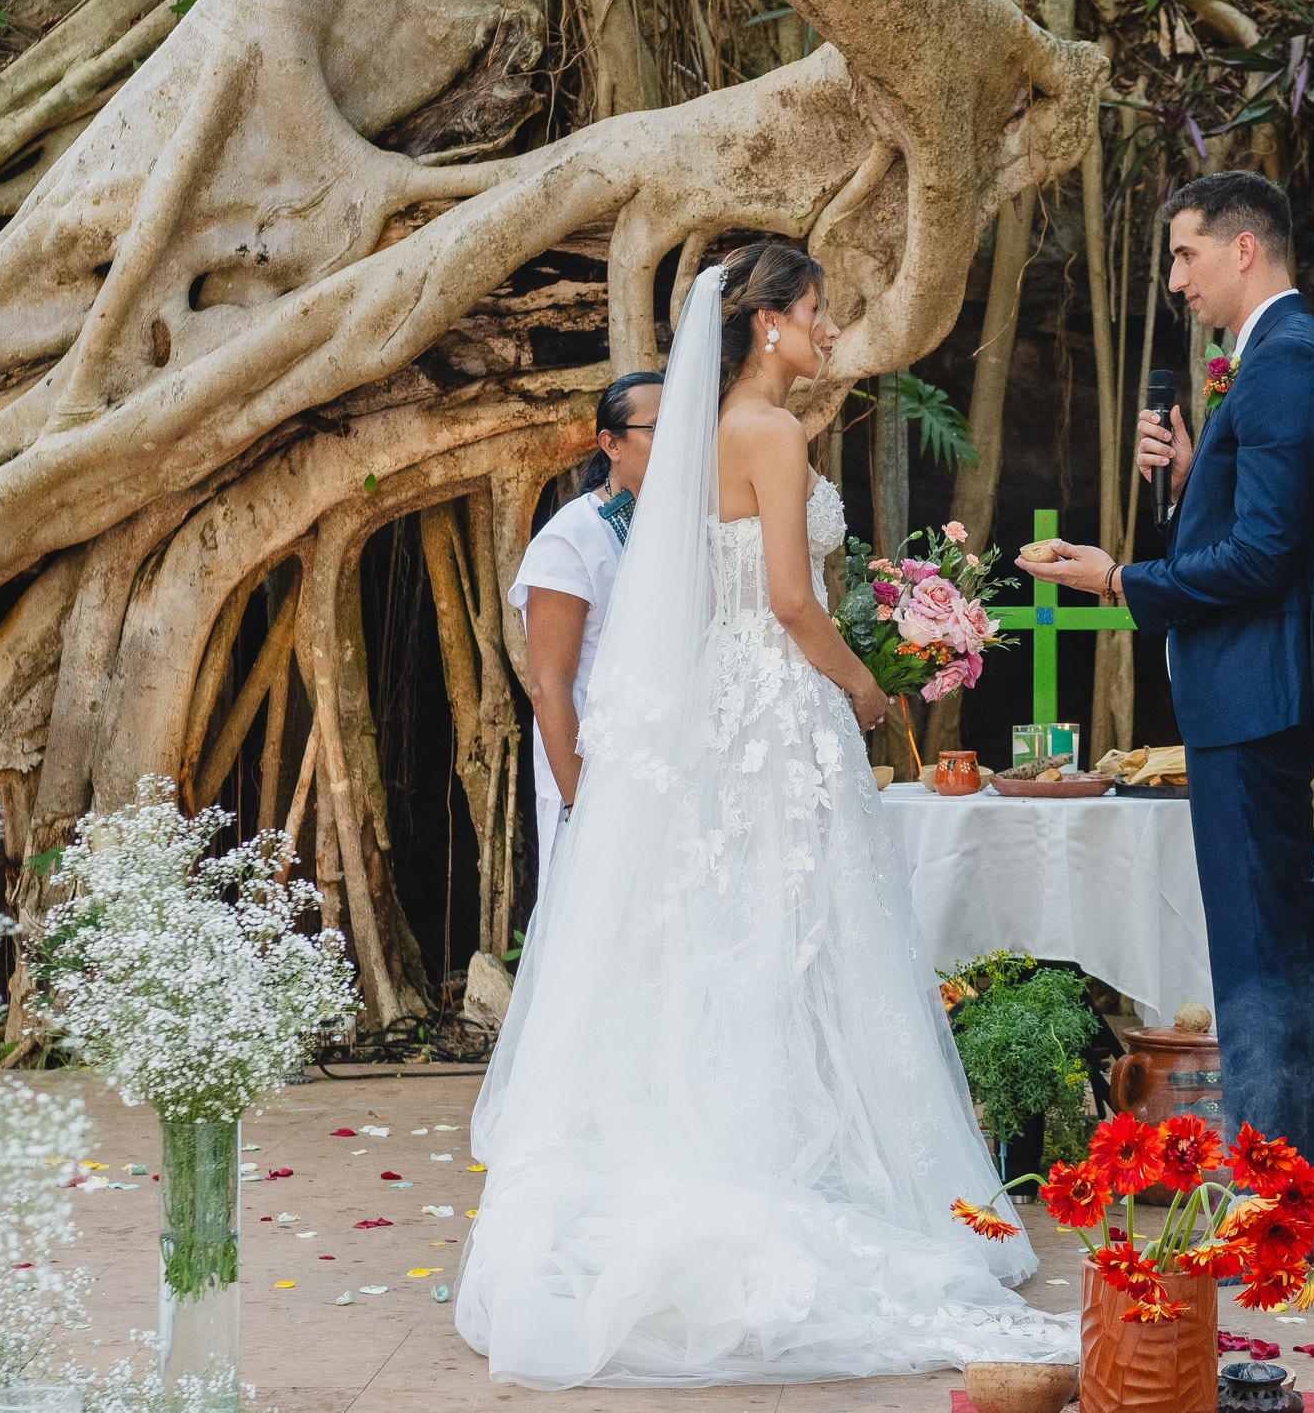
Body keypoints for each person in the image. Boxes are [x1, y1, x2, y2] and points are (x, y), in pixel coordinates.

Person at [459, 243, 1071, 1388]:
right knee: (815, 935)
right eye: (817, 310)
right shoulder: (775, 433)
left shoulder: (694, 437)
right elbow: (791, 598)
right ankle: (813, 1176)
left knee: (735, 933)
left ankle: (755, 1145)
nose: (830, 328)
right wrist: (862, 684)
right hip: (782, 710)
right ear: (770, 324)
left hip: (717, 712)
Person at [1019, 170, 1314, 1169]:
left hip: (1258, 694)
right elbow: (1238, 526)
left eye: (1185, 253)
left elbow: (1263, 556)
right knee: (1265, 940)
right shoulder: (1258, 363)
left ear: (1243, 248)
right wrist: (1176, 479)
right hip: (1244, 692)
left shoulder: (1287, 361)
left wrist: (1121, 578)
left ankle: (1268, 1178)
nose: (1175, 279)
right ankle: (1275, 1172)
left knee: (1261, 948)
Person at [509, 370, 662, 884]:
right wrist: (582, 803)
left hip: (671, 770)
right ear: (610, 444)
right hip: (602, 772)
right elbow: (547, 685)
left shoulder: (682, 526)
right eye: (658, 427)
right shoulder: (569, 540)